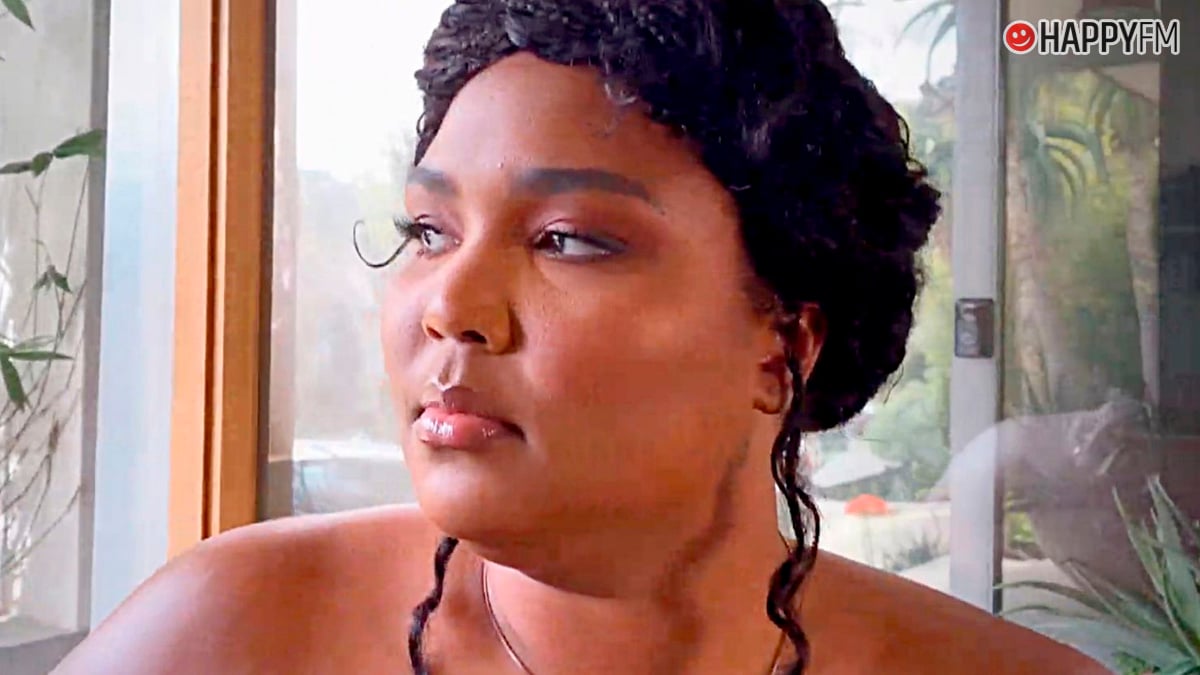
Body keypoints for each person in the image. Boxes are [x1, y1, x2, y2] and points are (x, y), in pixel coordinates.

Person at [56, 1, 1110, 673]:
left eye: (568, 240)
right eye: (429, 230)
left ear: (784, 341)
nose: (450, 304)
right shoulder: (229, 633)